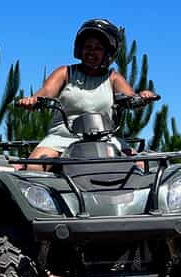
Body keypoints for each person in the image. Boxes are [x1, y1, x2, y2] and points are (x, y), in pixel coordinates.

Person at [16, 19, 157, 168]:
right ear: (79, 48)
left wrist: (142, 97)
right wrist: (33, 100)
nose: (91, 51)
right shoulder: (65, 73)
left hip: (105, 139)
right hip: (63, 138)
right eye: (87, 46)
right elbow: (45, 93)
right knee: (34, 166)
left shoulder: (113, 78)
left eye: (98, 48)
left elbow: (131, 97)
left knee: (142, 166)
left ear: (108, 52)